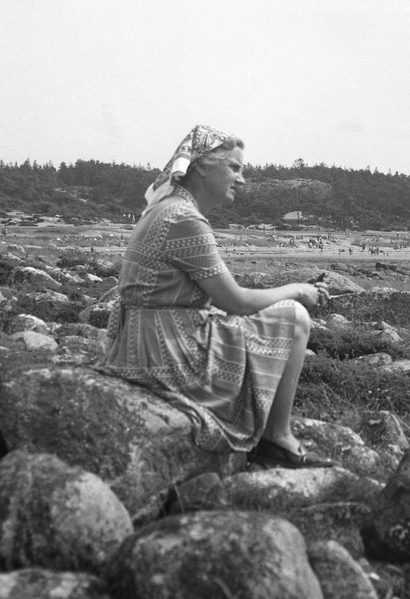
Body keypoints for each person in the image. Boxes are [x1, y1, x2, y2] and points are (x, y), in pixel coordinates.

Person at [100, 125, 334, 469]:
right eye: (235, 168)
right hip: (166, 352)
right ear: (202, 167)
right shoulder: (184, 218)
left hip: (137, 341)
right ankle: (276, 439)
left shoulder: (163, 207)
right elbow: (235, 302)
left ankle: (270, 435)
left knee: (264, 316)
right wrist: (298, 290)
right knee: (295, 317)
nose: (241, 180)